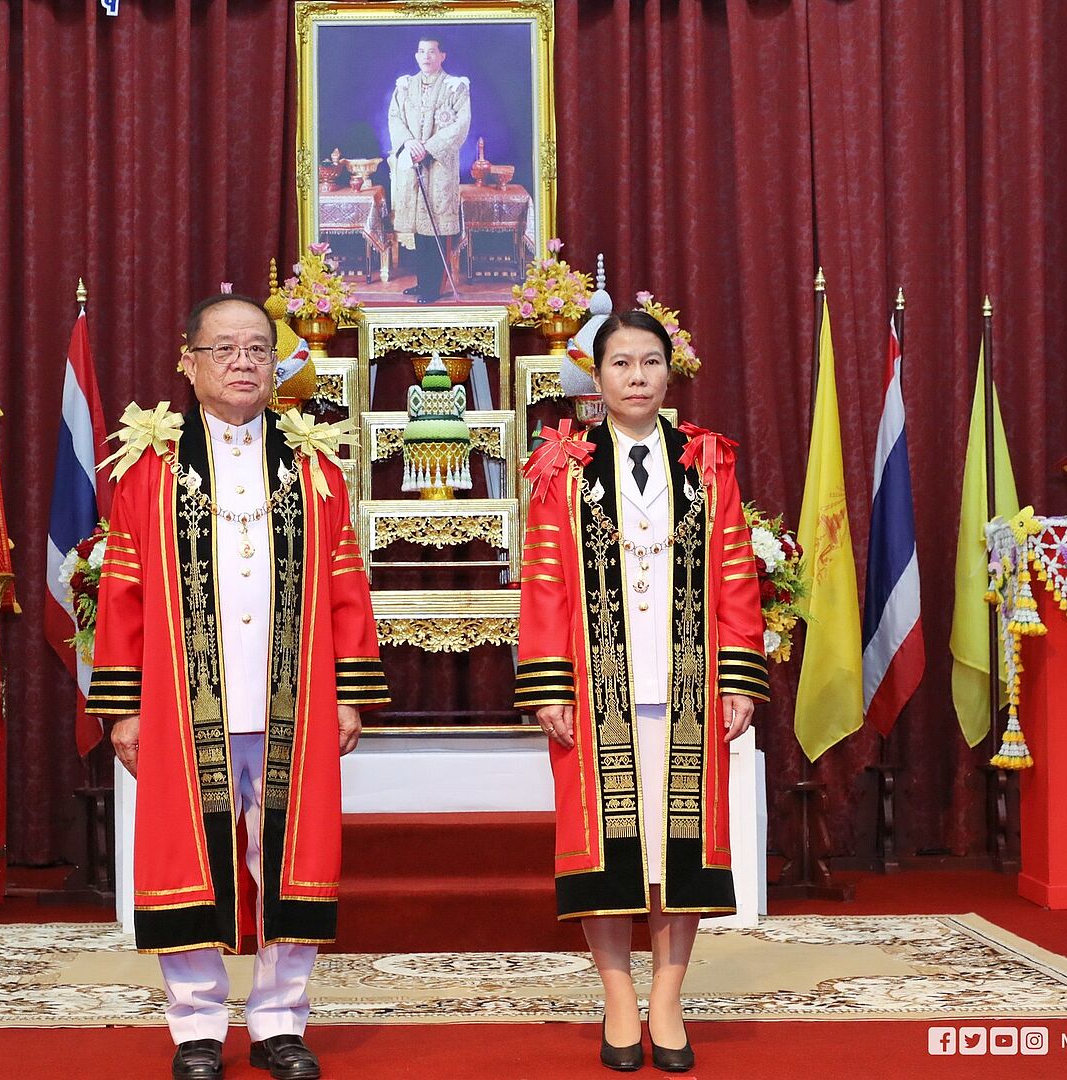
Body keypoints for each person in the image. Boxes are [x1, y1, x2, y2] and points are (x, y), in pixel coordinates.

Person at [89, 293, 389, 1080]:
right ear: (187, 365)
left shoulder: (313, 468)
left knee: (292, 858)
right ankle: (195, 1028)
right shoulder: (148, 472)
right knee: (187, 856)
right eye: (224, 349)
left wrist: (349, 692)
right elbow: (121, 595)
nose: (244, 362)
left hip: (294, 702)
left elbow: (347, 587)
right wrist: (121, 706)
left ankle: (280, 1020)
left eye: (257, 348)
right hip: (185, 706)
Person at [515, 310, 768, 1073]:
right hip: (598, 693)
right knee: (608, 845)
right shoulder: (563, 465)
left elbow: (734, 576)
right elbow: (546, 585)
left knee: (678, 845)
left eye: (649, 362)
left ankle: (669, 995)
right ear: (597, 378)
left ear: (670, 373)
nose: (635, 376)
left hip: (690, 682)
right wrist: (549, 685)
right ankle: (617, 994)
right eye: (620, 363)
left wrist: (739, 678)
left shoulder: (707, 462)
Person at [386, 36, 470, 303]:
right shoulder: (404, 86)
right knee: (418, 229)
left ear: (442, 55)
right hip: (412, 163)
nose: (426, 57)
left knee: (435, 228)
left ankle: (434, 287)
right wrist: (409, 143)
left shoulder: (455, 87)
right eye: (422, 51)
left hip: (439, 166)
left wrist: (429, 147)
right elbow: (395, 117)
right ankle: (423, 283)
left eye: (432, 52)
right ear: (416, 55)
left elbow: (461, 124)